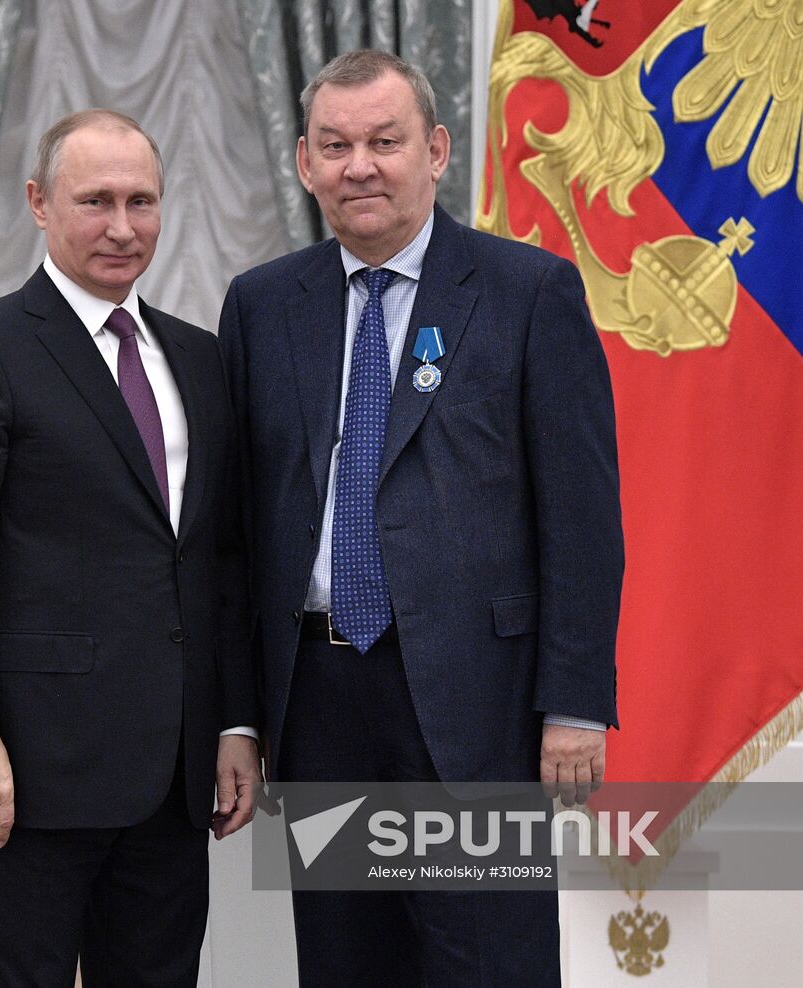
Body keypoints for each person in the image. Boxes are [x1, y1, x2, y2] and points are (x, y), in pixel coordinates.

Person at [218, 50, 622, 986]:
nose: (361, 165)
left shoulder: (531, 292)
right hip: (317, 702)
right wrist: (239, 716)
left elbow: (582, 516)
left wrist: (574, 704)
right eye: (337, 145)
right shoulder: (263, 304)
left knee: (487, 960)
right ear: (305, 164)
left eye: (385, 142)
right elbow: (240, 534)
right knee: (345, 962)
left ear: (436, 152)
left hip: (478, 699)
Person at [0, 109, 261, 987]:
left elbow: (224, 562)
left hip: (173, 788)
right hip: (23, 783)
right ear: (38, 203)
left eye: (142, 201)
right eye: (95, 201)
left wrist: (236, 722)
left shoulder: (202, 360)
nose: (122, 227)